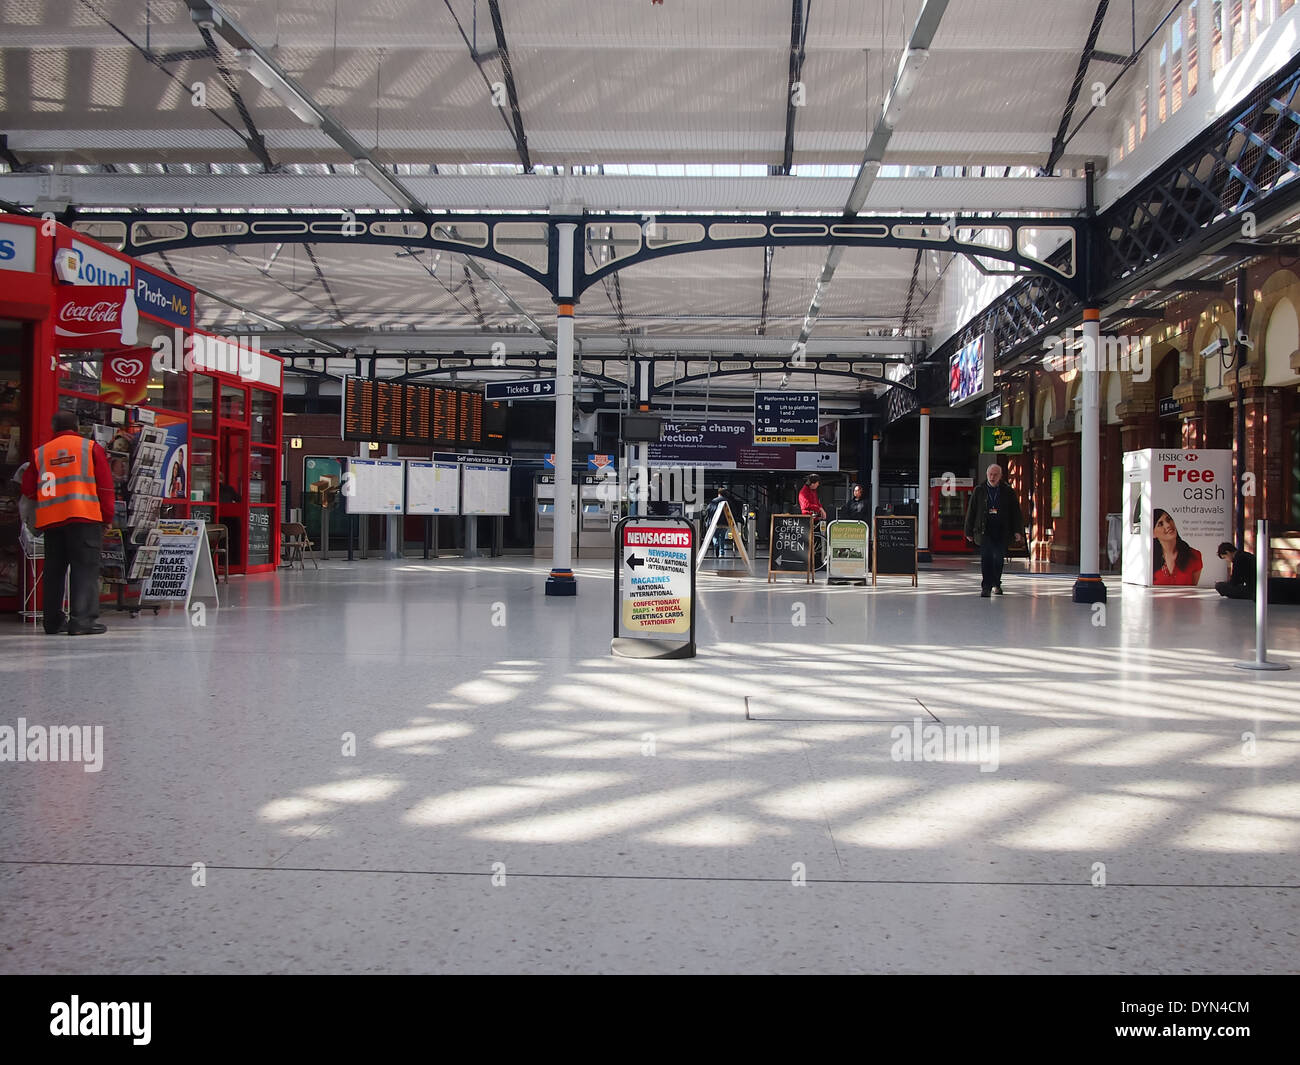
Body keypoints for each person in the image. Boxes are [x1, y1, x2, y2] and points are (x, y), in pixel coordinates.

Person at [21, 411, 115, 635]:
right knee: (84, 569)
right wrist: (108, 517)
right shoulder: (90, 448)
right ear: (77, 426)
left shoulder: (40, 453)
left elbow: (27, 489)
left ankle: (52, 622)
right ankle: (82, 621)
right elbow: (105, 486)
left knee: (53, 571)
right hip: (84, 517)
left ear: (54, 427)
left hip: (51, 520)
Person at [964, 463, 1024, 597]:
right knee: (986, 558)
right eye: (990, 474)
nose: (992, 477)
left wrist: (1017, 531)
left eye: (995, 474)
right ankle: (986, 587)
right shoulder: (979, 490)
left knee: (998, 559)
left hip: (1002, 531)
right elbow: (971, 511)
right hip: (985, 530)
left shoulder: (1008, 491)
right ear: (987, 475)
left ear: (1000, 476)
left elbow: (1015, 512)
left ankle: (996, 583)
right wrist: (968, 531)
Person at [1152, 508, 1203, 586]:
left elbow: (1193, 588)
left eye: (1168, 519)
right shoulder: (1150, 559)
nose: (1168, 525)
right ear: (1153, 533)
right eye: (1160, 524)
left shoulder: (1194, 555)